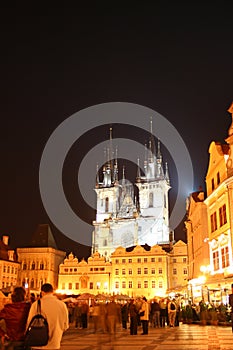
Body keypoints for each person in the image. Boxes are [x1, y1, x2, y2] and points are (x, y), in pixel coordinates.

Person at [26, 283, 69, 349]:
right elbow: (65, 326)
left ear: (42, 292)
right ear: (52, 292)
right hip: (54, 344)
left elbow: (29, 322)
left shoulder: (36, 304)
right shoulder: (62, 305)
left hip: (38, 344)